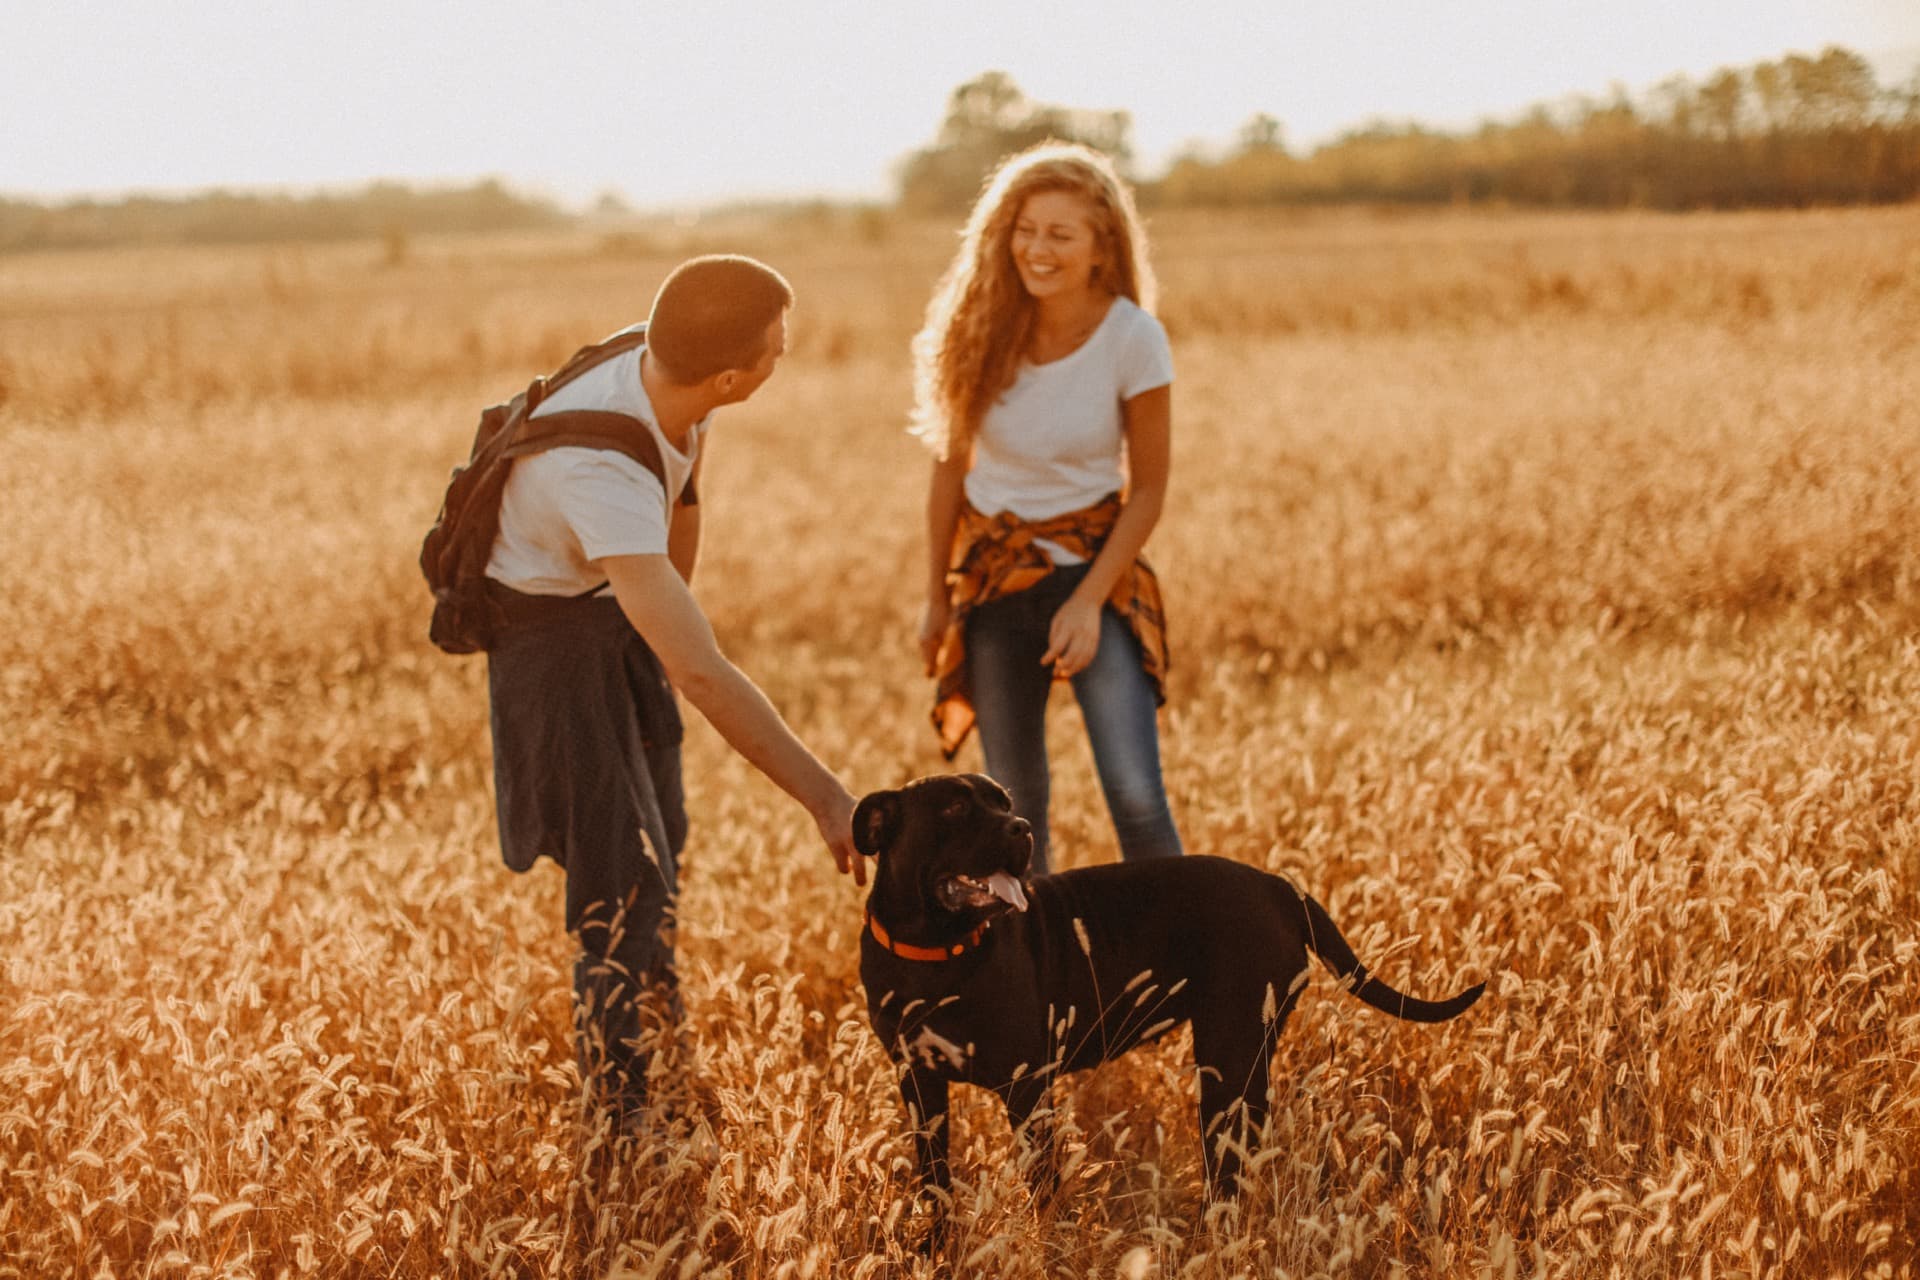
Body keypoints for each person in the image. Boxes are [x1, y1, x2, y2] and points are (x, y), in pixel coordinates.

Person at [481, 254, 862, 1117]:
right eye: (777, 347)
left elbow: (682, 494)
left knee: (665, 827)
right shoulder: (602, 470)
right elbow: (701, 672)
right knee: (611, 875)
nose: (784, 353)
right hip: (544, 637)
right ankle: (622, 1104)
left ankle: (663, 1028)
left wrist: (662, 614)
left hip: (607, 598)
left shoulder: (675, 382)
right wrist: (829, 801)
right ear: (732, 375)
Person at [912, 142, 1183, 876]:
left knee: (1134, 792)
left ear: (1102, 248)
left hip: (1096, 574)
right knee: (1014, 808)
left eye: (1061, 235)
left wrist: (1090, 603)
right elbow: (948, 473)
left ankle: (1180, 962)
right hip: (997, 581)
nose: (1038, 249)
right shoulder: (976, 328)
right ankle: (1033, 968)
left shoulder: (1133, 337)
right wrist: (936, 598)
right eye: (1025, 230)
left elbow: (1149, 488)